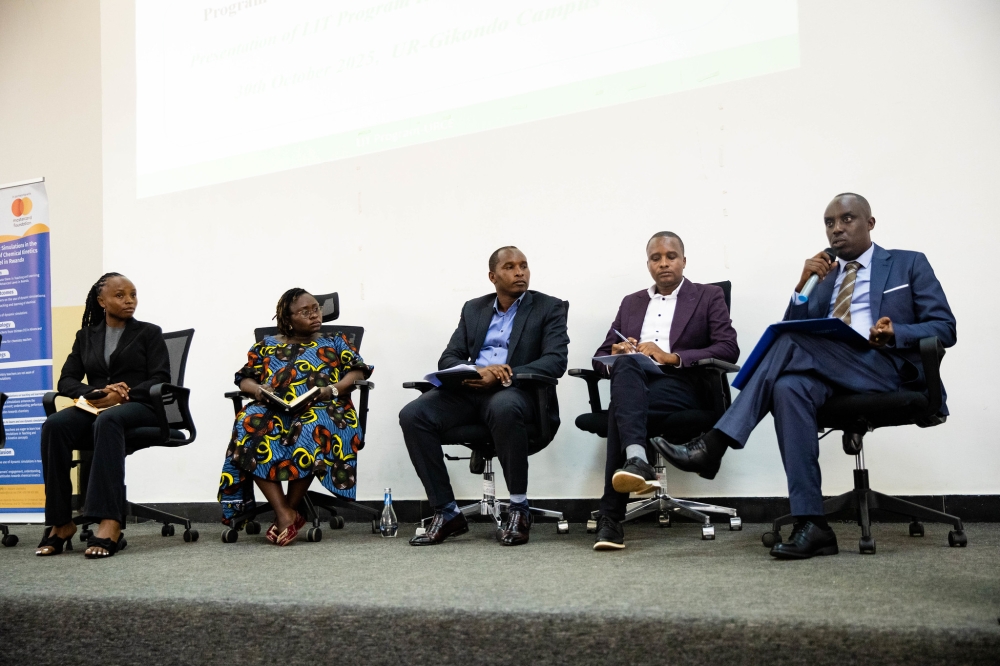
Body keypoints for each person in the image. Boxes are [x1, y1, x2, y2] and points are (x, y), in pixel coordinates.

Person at [656, 193, 957, 559]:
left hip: (885, 368)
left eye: (847, 219)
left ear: (870, 223)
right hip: (828, 370)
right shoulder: (824, 276)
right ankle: (812, 524)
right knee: (787, 386)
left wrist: (897, 332)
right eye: (829, 223)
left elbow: (945, 327)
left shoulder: (908, 264)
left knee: (790, 346)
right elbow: (792, 332)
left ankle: (715, 443)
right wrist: (802, 287)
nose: (836, 229)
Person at [399, 246, 569, 547]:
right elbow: (449, 357)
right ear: (493, 276)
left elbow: (555, 360)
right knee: (413, 415)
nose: (519, 272)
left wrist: (505, 373)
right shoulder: (474, 308)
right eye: (510, 267)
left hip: (515, 392)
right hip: (471, 390)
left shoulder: (549, 307)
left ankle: (519, 508)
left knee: (503, 407)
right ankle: (447, 511)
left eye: (524, 265)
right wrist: (475, 371)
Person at [590, 232, 739, 550]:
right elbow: (599, 358)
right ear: (648, 265)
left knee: (621, 406)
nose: (663, 263)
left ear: (684, 261)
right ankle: (635, 462)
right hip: (635, 383)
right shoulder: (632, 302)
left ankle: (611, 517)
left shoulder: (707, 295)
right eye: (656, 258)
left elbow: (728, 349)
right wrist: (617, 353)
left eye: (670, 256)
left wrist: (672, 357)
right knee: (627, 368)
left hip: (682, 385)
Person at [217, 288, 373, 546]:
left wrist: (330, 389)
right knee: (247, 424)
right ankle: (286, 513)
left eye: (316, 309)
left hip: (326, 408)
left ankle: (287, 513)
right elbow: (244, 377)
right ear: (288, 319)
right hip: (276, 408)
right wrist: (258, 390)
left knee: (309, 426)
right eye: (305, 311)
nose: (314, 315)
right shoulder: (266, 345)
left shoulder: (335, 340)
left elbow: (358, 372)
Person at [37, 273, 171, 558]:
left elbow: (161, 378)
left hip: (141, 407)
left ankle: (110, 521)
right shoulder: (85, 336)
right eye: (120, 295)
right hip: (98, 405)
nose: (129, 301)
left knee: (109, 419)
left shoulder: (149, 332)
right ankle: (60, 522)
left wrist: (124, 393)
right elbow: (67, 380)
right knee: (54, 425)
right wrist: (97, 392)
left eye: (133, 294)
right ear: (101, 301)